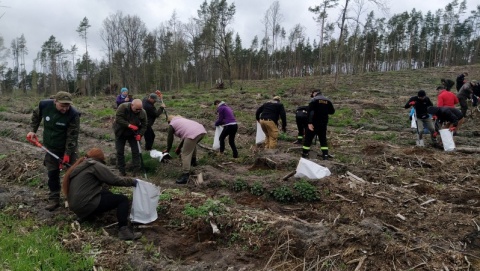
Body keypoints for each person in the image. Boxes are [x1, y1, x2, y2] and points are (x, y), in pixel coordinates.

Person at [62, 148, 141, 241]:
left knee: (106, 193)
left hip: (76, 206)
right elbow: (114, 180)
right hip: (85, 204)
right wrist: (132, 181)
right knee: (122, 199)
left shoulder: (81, 165)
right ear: (101, 159)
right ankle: (124, 230)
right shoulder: (95, 165)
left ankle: (86, 217)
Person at [26, 91, 80, 211]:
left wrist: (67, 153)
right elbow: (36, 116)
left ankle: (74, 198)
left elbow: (72, 136)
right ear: (55, 101)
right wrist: (32, 130)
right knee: (52, 173)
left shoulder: (73, 114)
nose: (65, 109)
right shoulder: (44, 105)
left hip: (68, 147)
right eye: (62, 106)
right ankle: (54, 197)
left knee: (73, 172)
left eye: (67, 106)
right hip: (51, 147)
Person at [165, 115, 207, 184]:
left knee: (185, 154)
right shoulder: (181, 120)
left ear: (169, 121)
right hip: (201, 131)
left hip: (192, 133)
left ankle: (185, 175)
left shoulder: (172, 124)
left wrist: (168, 149)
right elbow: (186, 138)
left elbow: (170, 138)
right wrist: (179, 147)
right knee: (192, 144)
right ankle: (193, 162)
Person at [113, 99, 147, 176]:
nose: (138, 111)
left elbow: (145, 125)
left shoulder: (143, 112)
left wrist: (140, 135)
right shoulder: (123, 107)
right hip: (120, 132)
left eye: (140, 109)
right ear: (132, 105)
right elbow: (118, 119)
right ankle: (121, 170)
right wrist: (129, 125)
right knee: (120, 152)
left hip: (133, 134)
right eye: (136, 109)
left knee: (136, 152)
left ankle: (136, 171)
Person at [301, 90, 335, 159]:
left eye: (312, 94)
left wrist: (309, 123)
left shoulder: (314, 100)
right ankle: (325, 155)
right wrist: (324, 111)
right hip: (323, 123)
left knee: (308, 139)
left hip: (314, 123)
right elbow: (332, 111)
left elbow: (310, 112)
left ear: (315, 93)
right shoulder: (328, 100)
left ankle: (305, 154)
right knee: (323, 140)